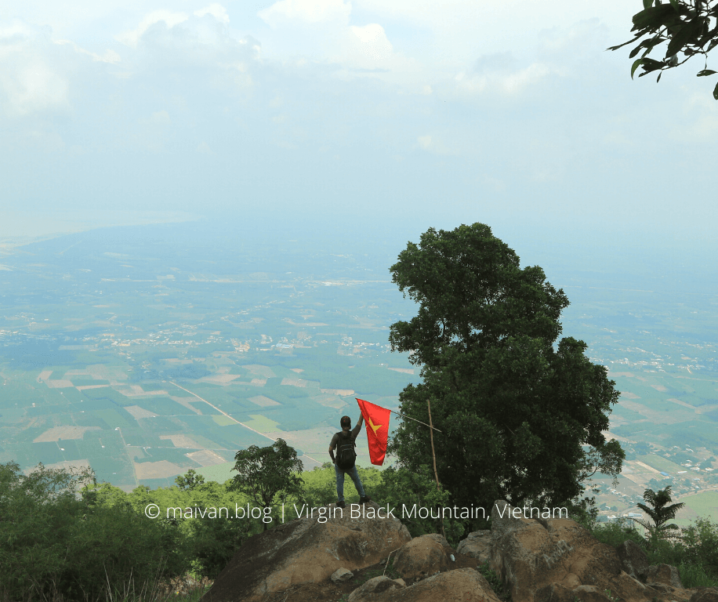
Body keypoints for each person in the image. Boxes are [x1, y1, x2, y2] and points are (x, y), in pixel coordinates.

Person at [328, 414, 371, 508]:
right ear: (350, 425)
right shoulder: (353, 434)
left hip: (340, 464)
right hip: (351, 464)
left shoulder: (337, 436)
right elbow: (359, 424)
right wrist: (362, 413)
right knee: (356, 479)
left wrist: (333, 460)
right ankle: (363, 496)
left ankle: (341, 501)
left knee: (340, 482)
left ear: (341, 425)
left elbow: (330, 449)